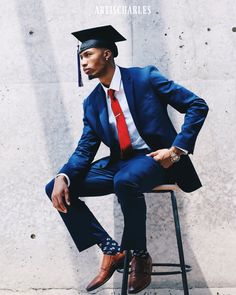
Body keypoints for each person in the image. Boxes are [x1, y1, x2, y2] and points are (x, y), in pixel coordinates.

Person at [45, 25, 208, 294]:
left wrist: (176, 150)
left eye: (88, 54)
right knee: (55, 187)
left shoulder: (145, 78)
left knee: (125, 180)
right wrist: (64, 176)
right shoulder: (93, 103)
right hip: (122, 163)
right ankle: (111, 250)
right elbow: (85, 149)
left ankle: (140, 255)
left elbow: (196, 105)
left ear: (107, 54)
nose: (83, 62)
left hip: (156, 159)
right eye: (81, 57)